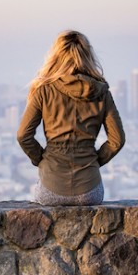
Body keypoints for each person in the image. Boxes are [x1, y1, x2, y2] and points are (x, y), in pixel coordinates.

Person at [17, 30, 125, 206]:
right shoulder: (102, 92)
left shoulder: (44, 90)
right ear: (87, 56)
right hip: (90, 190)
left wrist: (42, 160)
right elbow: (117, 140)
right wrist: (94, 161)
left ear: (56, 56)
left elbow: (23, 135)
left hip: (51, 188)